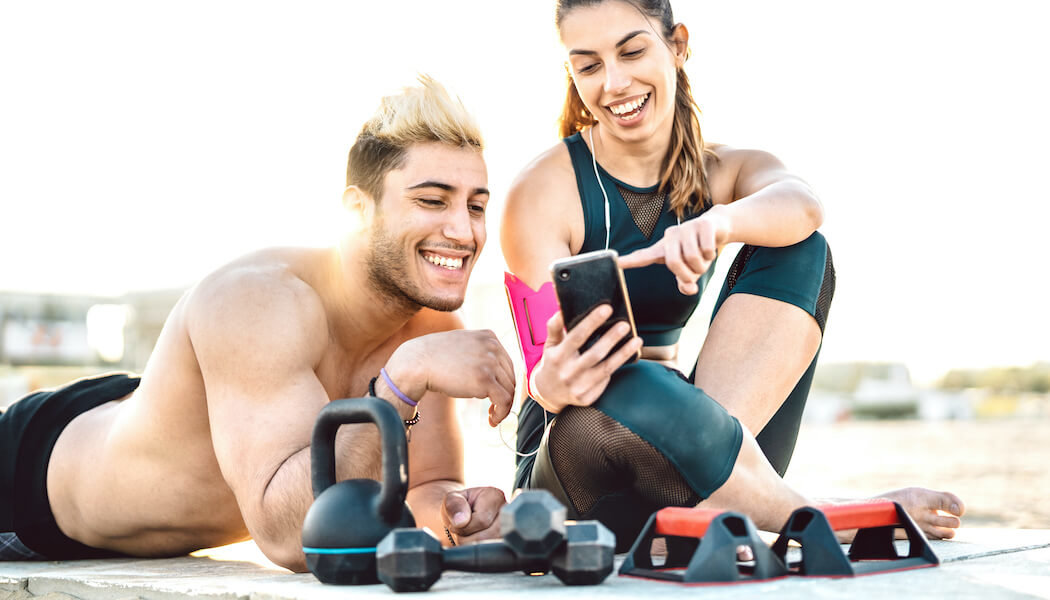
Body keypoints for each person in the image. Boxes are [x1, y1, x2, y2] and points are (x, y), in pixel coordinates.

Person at [502, 0, 965, 549]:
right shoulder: (540, 191)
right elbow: (543, 371)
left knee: (802, 247)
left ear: (677, 46)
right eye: (589, 65)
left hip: (702, 442)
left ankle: (716, 499)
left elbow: (803, 203)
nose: (615, 82)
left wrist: (720, 223)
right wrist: (549, 382)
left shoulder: (721, 169)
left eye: (632, 51)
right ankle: (828, 516)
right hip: (582, 455)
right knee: (632, 386)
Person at [0, 76, 512, 568]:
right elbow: (292, 535)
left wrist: (461, 515)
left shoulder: (431, 333)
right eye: (431, 200)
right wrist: (399, 385)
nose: (462, 230)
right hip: (23, 487)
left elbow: (424, 487)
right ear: (358, 209)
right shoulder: (259, 301)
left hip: (137, 444)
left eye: (476, 206)